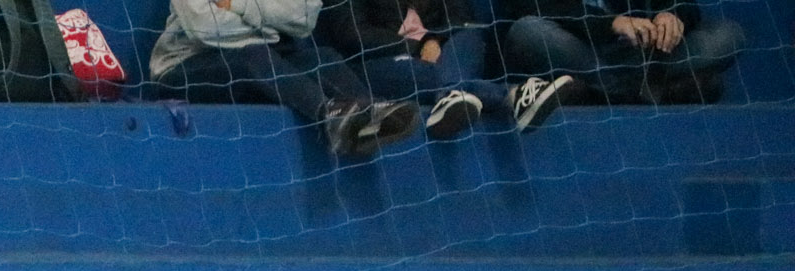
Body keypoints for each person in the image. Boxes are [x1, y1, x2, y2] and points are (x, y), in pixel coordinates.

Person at [147, 0, 422, 160]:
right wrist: (269, 23)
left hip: (267, 58)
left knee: (322, 57)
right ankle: (331, 117)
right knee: (255, 55)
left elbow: (304, 17)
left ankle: (371, 112)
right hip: (183, 67)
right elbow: (204, 27)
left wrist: (238, 5)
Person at [316, 0, 572, 135]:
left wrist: (435, 40)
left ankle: (452, 94)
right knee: (431, 74)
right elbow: (351, 34)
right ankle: (513, 96)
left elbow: (462, 20)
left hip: (447, 54)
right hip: (381, 61)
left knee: (470, 35)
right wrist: (418, 45)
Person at [502, 0, 743, 104]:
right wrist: (610, 24)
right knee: (526, 31)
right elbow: (530, 6)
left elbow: (684, 4)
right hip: (581, 52)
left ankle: (597, 94)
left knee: (728, 36)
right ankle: (651, 92)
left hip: (643, 57)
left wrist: (672, 15)